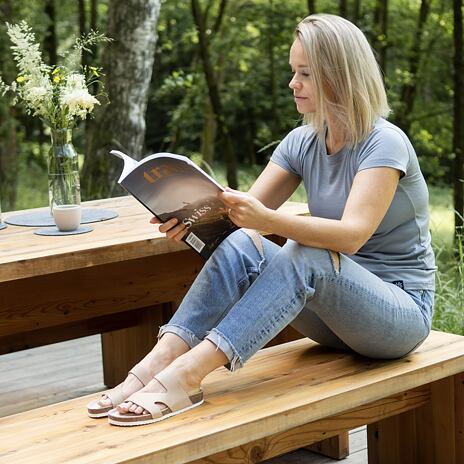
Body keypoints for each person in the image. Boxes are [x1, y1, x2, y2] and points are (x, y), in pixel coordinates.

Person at [87, 14, 436, 426]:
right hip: (329, 319)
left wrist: (267, 219)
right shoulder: (302, 141)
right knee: (240, 244)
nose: (293, 83)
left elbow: (351, 237)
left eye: (305, 73)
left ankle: (186, 375)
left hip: (395, 316)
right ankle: (155, 364)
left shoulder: (384, 142)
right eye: (294, 72)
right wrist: (192, 221)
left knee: (308, 253)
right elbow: (241, 222)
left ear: (339, 75)